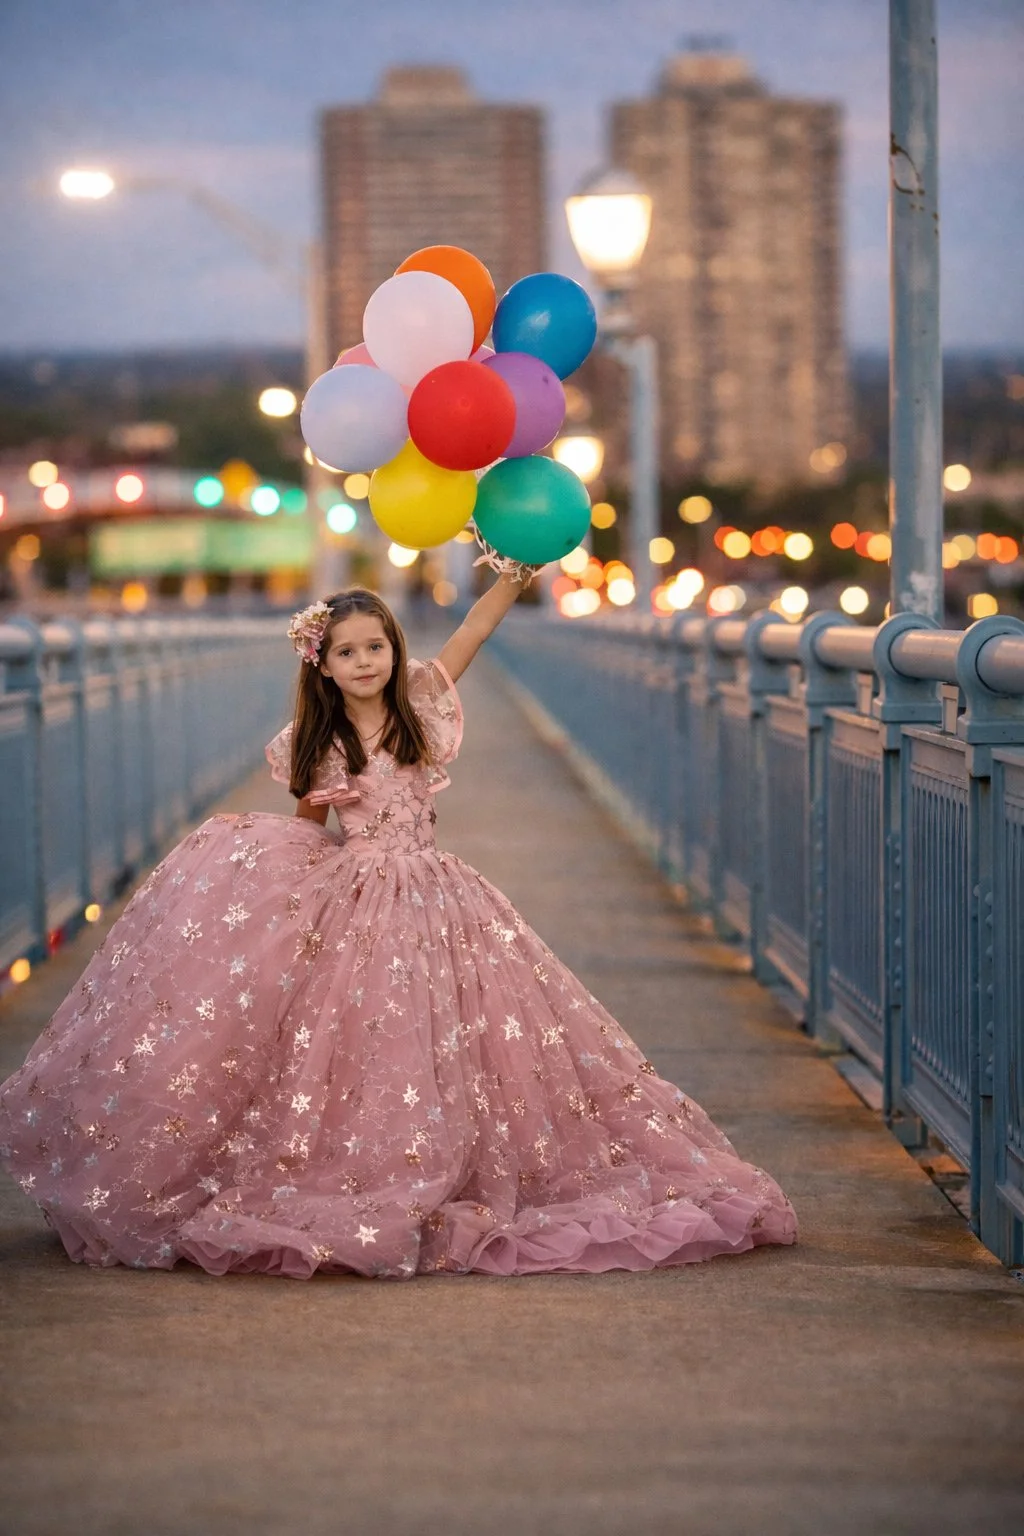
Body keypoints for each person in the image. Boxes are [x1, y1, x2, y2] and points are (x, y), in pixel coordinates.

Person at [0, 576, 797, 1279]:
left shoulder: (418, 707)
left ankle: (456, 1157)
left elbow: (472, 636)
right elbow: (309, 829)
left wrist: (512, 579)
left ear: (393, 649)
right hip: (360, 895)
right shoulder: (318, 743)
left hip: (440, 895)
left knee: (457, 1030)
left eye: (375, 646)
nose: (364, 662)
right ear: (323, 665)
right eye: (345, 652)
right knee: (367, 1034)